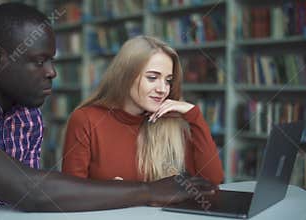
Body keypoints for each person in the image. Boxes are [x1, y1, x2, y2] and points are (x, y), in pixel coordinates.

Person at [0, 3, 218, 212]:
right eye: (38, 61)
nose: (51, 72)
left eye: (52, 60)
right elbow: (30, 192)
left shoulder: (27, 113)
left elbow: (35, 191)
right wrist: (150, 191)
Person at [62, 36, 224, 184]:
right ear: (125, 76)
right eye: (152, 78)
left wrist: (195, 116)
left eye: (168, 81)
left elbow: (212, 182)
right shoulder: (85, 119)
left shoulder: (171, 122)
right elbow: (70, 195)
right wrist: (108, 192)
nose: (163, 89)